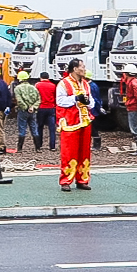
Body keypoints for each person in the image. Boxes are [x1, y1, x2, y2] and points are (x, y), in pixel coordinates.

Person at [54, 61, 93, 190]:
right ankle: (66, 181)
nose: (84, 69)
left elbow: (91, 102)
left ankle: (82, 179)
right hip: (70, 122)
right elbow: (60, 101)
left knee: (85, 152)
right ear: (75, 69)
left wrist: (87, 101)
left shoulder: (86, 84)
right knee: (68, 152)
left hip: (85, 121)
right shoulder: (63, 83)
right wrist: (75, 98)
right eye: (82, 67)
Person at [11, 73, 42, 150]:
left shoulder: (17, 88)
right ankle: (38, 147)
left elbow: (19, 101)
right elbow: (38, 99)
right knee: (34, 128)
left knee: (22, 129)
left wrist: (26, 108)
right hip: (33, 111)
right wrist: (33, 107)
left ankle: (20, 148)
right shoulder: (34, 88)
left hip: (23, 111)